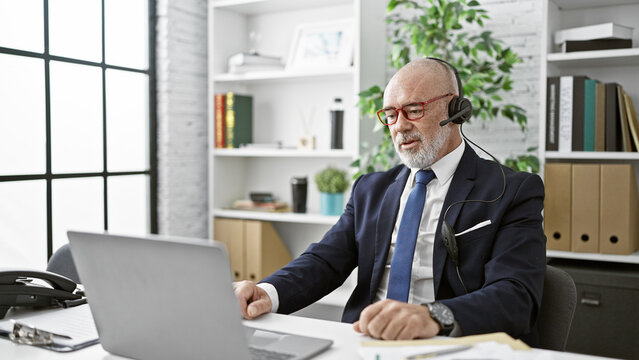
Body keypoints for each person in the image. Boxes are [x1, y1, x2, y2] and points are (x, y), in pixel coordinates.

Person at [233, 58, 546, 345]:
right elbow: (325, 261)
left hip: (451, 346)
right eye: (391, 115)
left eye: (413, 110)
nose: (399, 126)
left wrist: (434, 316)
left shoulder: (512, 191)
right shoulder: (371, 189)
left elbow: (516, 295)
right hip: (365, 344)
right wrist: (266, 293)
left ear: (454, 110)